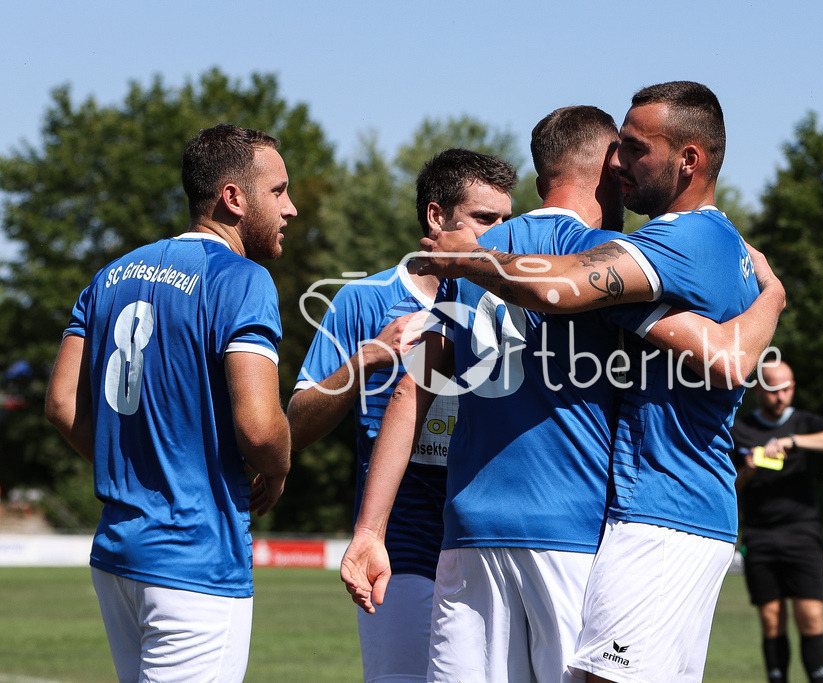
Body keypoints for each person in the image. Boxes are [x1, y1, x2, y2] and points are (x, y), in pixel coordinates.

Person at [345, 99, 783, 682]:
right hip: (572, 534)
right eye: (622, 156)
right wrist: (772, 297)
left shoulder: (485, 254)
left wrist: (369, 532)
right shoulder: (609, 266)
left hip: (468, 535)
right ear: (607, 167)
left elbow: (410, 391)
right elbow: (724, 355)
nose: (627, 171)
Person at [44, 124, 294, 681]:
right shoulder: (241, 278)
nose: (291, 208)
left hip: (118, 553)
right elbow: (257, 428)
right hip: (193, 558)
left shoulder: (109, 275)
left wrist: (134, 473)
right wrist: (279, 466)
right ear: (233, 198)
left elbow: (61, 404)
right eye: (278, 191)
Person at [288, 148, 516, 683]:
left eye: (508, 220)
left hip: (489, 542)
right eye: (486, 219)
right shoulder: (362, 299)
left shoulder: (513, 303)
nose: (501, 234)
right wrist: (368, 357)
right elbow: (295, 424)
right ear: (437, 218)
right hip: (402, 545)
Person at [730, 360, 823, 683]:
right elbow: (731, 487)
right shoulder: (739, 429)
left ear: (793, 387)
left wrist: (792, 441)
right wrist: (750, 469)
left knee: (810, 616)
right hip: (760, 535)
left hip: (803, 532)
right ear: (759, 389)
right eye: (773, 389)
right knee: (771, 620)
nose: (781, 396)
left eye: (787, 388)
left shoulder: (804, 422)